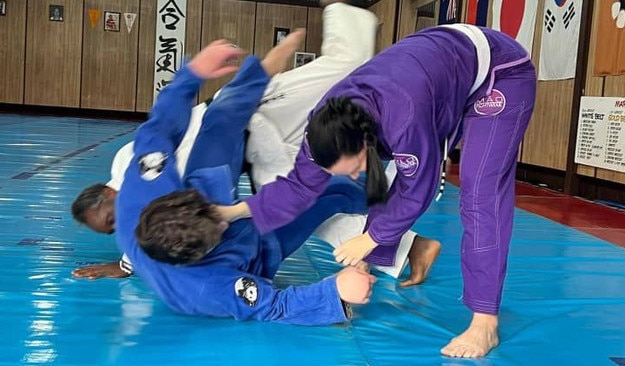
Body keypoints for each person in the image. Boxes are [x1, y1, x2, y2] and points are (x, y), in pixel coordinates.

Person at [217, 24, 537, 357]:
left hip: (500, 73)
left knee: (479, 194)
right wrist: (235, 211)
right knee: (369, 181)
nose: (354, 172)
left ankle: (485, 323)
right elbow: (298, 186)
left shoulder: (405, 114)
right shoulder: (321, 131)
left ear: (367, 142)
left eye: (356, 162)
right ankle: (370, 264)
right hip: (438, 70)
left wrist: (368, 239)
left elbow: (418, 186)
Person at [71, 0, 440, 282]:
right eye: (112, 229)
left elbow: (170, 126)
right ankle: (407, 245)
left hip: (249, 117)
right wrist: (124, 263)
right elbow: (157, 233)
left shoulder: (131, 166)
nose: (120, 224)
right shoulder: (140, 209)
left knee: (345, 68)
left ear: (108, 193)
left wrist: (217, 74)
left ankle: (344, 7)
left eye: (110, 218)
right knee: (297, 203)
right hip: (251, 149)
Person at [113, 30, 377, 325]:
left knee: (222, 116)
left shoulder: (144, 191)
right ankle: (378, 193)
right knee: (327, 191)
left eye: (216, 217)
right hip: (256, 249)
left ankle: (260, 74)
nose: (227, 218)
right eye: (219, 228)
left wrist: (191, 75)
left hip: (202, 188)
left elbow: (157, 131)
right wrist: (335, 291)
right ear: (199, 254)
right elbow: (273, 306)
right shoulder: (205, 288)